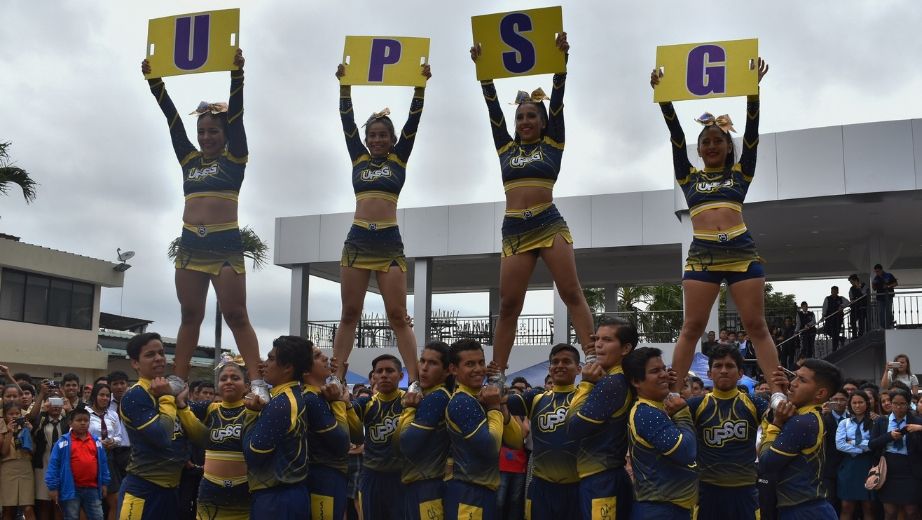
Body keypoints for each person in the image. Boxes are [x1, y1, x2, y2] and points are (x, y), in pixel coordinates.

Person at [650, 60, 783, 406]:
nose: (710, 146)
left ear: (727, 146)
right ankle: (674, 392)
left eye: (717, 141)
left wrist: (753, 93)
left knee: (757, 326)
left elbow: (752, 135)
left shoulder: (741, 173)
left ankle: (779, 392)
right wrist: (664, 100)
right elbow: (676, 138)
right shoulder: (689, 177)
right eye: (705, 142)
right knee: (691, 328)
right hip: (703, 256)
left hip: (742, 252)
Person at [469, 32, 594, 387]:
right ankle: (498, 372)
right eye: (521, 116)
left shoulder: (554, 143)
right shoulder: (505, 149)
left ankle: (594, 355)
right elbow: (492, 110)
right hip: (514, 231)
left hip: (548, 222)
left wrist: (561, 64)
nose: (525, 121)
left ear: (542, 122)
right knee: (509, 305)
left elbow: (558, 102)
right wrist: (484, 73)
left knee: (571, 291)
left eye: (531, 116)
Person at [140, 51, 265, 397]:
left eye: (213, 131)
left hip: (225, 247)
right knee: (189, 315)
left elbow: (237, 117)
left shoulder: (235, 158)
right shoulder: (189, 160)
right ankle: (178, 379)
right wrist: (155, 84)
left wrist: (237, 75)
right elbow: (173, 122)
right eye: (202, 131)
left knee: (236, 315)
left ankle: (256, 381)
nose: (206, 137)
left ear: (225, 134)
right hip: (190, 245)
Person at [329, 62, 432, 387]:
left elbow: (414, 123)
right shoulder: (358, 157)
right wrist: (344, 86)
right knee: (349, 314)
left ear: (392, 138)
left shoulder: (399, 159)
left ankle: (414, 381)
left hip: (389, 244)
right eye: (372, 135)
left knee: (398, 316)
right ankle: (336, 376)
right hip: (358, 241)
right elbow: (346, 122)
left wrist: (421, 88)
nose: (376, 140)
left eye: (383, 135)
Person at [686, 344, 768, 520]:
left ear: (740, 373)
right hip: (706, 490)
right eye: (717, 366)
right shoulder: (695, 405)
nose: (723, 370)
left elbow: (779, 422)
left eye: (730, 366)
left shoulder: (755, 403)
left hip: (745, 490)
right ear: (709, 373)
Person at [444, 340, 523, 520]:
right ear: (454, 369)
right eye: (469, 364)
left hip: (485, 492)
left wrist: (500, 405)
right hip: (468, 494)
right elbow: (490, 447)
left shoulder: (482, 397)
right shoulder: (462, 402)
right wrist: (494, 406)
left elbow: (517, 442)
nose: (478, 369)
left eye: (481, 362)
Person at [567, 318, 636, 519]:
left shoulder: (612, 383)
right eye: (597, 339)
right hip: (606, 475)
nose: (598, 344)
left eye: (607, 340)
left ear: (625, 348)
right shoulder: (619, 379)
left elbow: (573, 428)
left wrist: (586, 384)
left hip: (601, 479)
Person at [502, 344, 580, 520]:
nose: (559, 365)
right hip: (540, 487)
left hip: (577, 486)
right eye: (555, 362)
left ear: (579, 368)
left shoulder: (585, 397)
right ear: (550, 368)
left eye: (566, 361)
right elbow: (500, 399)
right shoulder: (535, 398)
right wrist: (496, 377)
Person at [117, 332, 190, 519]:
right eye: (150, 355)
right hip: (142, 491)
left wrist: (182, 405)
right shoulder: (135, 395)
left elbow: (200, 439)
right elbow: (162, 437)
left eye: (161, 353)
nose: (159, 359)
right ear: (135, 363)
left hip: (172, 491)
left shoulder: (175, 394)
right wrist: (168, 397)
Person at [759, 359, 843, 519]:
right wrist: (783, 396)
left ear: (820, 393)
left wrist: (775, 425)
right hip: (810, 507)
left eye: (802, 380)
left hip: (802, 511)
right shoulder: (810, 417)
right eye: (794, 376)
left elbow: (766, 464)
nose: (792, 383)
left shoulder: (801, 423)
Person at [623, 347, 698, 519]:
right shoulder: (646, 413)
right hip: (659, 510)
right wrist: (682, 413)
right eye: (655, 371)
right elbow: (686, 452)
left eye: (664, 369)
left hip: (672, 508)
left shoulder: (659, 408)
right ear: (636, 381)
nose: (664, 374)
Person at [242, 336, 311, 520]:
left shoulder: (281, 403)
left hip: (277, 500)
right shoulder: (290, 396)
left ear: (288, 367)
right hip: (288, 495)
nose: (264, 364)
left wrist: (250, 414)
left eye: (271, 359)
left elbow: (253, 454)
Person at [175, 356, 252, 520]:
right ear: (218, 386)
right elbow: (181, 407)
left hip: (244, 491)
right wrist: (181, 397)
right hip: (210, 490)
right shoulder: (209, 408)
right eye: (224, 378)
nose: (229, 381)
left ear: (246, 386)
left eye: (235, 378)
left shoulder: (253, 409)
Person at [398, 342, 452, 520]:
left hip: (427, 486)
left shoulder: (437, 397)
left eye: (433, 363)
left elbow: (405, 444)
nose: (424, 368)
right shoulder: (427, 395)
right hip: (417, 484)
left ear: (447, 371)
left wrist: (409, 409)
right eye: (422, 361)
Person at [352, 355, 407, 519]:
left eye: (390, 371)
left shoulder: (410, 401)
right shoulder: (365, 403)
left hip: (402, 476)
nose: (384, 375)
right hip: (372, 476)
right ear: (373, 376)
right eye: (379, 371)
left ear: (401, 375)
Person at [302, 346, 353, 520]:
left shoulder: (321, 396)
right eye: (317, 356)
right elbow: (343, 443)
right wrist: (339, 403)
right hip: (323, 477)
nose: (325, 358)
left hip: (332, 476)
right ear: (305, 370)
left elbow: (358, 437)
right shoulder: (311, 399)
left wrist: (346, 403)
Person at [45, 406, 111, 520]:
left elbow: (103, 464)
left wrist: (105, 483)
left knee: (98, 516)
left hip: (93, 488)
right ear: (70, 423)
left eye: (86, 420)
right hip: (71, 489)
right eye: (79, 420)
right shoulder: (63, 442)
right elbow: (54, 465)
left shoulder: (96, 442)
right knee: (71, 516)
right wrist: (53, 487)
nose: (83, 423)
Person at [868, 387, 922, 520]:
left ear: (908, 404)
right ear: (890, 404)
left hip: (910, 469)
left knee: (911, 510)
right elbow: (872, 444)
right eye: (895, 403)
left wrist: (917, 431)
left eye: (902, 403)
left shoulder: (916, 421)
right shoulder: (882, 421)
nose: (899, 407)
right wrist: (889, 436)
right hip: (888, 468)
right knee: (890, 511)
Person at [30, 383, 69, 520]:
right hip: (43, 463)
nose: (56, 406)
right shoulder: (42, 420)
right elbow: (32, 428)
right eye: (53, 403)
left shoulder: (66, 421)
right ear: (47, 404)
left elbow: (76, 424)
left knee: (58, 503)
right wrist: (42, 411)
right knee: (43, 503)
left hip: (62, 465)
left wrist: (67, 405)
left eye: (58, 402)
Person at [835, 391, 875, 520]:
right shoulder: (844, 423)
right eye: (854, 403)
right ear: (850, 404)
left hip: (867, 466)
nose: (857, 405)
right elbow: (840, 445)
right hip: (849, 466)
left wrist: (853, 442)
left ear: (867, 403)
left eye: (860, 402)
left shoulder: (874, 422)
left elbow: (874, 444)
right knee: (846, 506)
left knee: (868, 506)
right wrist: (863, 448)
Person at [87, 384, 124, 520]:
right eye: (101, 395)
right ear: (94, 396)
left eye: (107, 396)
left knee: (115, 501)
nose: (105, 398)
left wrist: (112, 441)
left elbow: (120, 437)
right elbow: (75, 435)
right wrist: (96, 442)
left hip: (108, 460)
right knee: (90, 503)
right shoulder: (85, 412)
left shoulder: (113, 414)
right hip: (89, 459)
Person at [2, 401, 36, 520]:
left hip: (25, 467)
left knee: (28, 508)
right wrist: (10, 432)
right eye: (11, 414)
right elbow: (3, 452)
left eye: (17, 413)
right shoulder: (2, 428)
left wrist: (30, 433)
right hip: (7, 468)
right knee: (8, 508)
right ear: (5, 415)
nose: (15, 416)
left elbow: (33, 451)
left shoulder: (25, 428)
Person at [821, 389, 848, 516]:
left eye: (842, 399)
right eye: (835, 399)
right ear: (830, 401)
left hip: (849, 465)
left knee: (848, 504)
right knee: (830, 502)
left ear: (848, 401)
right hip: (829, 467)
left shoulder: (853, 418)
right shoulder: (824, 418)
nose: (838, 402)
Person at [822, 286, 849, 352]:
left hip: (838, 319)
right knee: (827, 330)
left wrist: (841, 306)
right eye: (833, 291)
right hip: (829, 318)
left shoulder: (841, 298)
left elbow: (848, 302)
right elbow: (824, 307)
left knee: (835, 333)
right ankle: (841, 338)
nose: (834, 292)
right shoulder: (827, 298)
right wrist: (823, 315)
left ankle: (834, 349)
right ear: (831, 291)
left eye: (835, 291)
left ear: (837, 291)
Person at [872, 264, 898, 329]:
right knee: (881, 312)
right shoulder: (876, 278)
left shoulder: (889, 275)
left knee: (888, 311)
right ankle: (882, 326)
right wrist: (873, 284)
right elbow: (874, 288)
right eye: (876, 271)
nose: (877, 273)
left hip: (888, 296)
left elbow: (896, 283)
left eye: (878, 271)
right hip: (880, 298)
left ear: (881, 270)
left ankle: (890, 324)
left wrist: (888, 286)